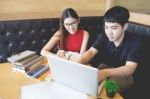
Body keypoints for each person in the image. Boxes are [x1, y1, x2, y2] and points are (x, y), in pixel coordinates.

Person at [77, 6, 143, 93]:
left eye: (114, 28)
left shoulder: (135, 41)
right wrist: (78, 63)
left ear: (125, 27)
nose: (109, 32)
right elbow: (91, 51)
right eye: (106, 27)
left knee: (104, 86)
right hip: (106, 68)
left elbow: (130, 68)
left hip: (125, 75)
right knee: (88, 81)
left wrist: (106, 73)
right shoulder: (103, 35)